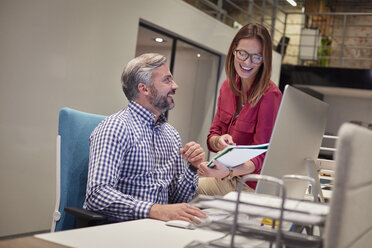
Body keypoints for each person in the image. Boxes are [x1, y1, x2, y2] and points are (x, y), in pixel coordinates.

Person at [83, 53, 207, 223]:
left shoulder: (171, 135)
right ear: (144, 89)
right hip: (122, 229)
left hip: (159, 229)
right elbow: (97, 195)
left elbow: (178, 198)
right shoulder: (115, 128)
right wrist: (154, 210)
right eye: (167, 80)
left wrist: (192, 168)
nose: (175, 86)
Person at [197, 23, 282, 196]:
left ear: (264, 60)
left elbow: (262, 156)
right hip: (225, 176)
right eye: (242, 53)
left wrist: (227, 172)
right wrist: (219, 140)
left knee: (187, 191)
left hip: (249, 185)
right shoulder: (227, 87)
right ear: (234, 50)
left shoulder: (270, 95)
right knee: (179, 187)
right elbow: (212, 137)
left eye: (256, 57)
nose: (247, 62)